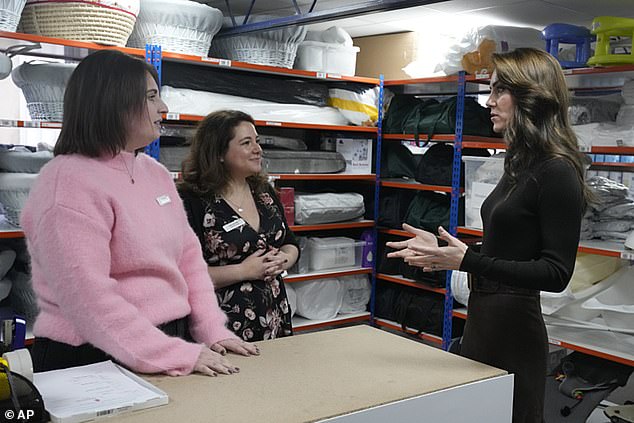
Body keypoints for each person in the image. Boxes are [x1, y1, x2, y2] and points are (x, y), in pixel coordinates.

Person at [21, 50, 258, 377]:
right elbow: (87, 297)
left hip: (165, 342)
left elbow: (188, 258)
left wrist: (210, 328)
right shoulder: (68, 182)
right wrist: (172, 353)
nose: (163, 108)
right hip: (94, 355)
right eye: (151, 97)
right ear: (113, 102)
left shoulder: (153, 172)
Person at [387, 48, 590, 423]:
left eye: (499, 91)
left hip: (514, 327)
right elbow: (511, 246)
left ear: (531, 96)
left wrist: (467, 260)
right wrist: (449, 250)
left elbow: (556, 273)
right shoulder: (519, 163)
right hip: (484, 319)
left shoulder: (557, 170)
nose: (489, 101)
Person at [178, 110, 299, 342]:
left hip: (273, 319)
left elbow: (289, 243)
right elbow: (182, 273)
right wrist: (243, 271)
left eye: (257, 141)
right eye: (246, 143)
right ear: (219, 152)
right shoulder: (191, 201)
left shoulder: (264, 193)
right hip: (219, 328)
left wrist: (284, 259)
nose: (258, 149)